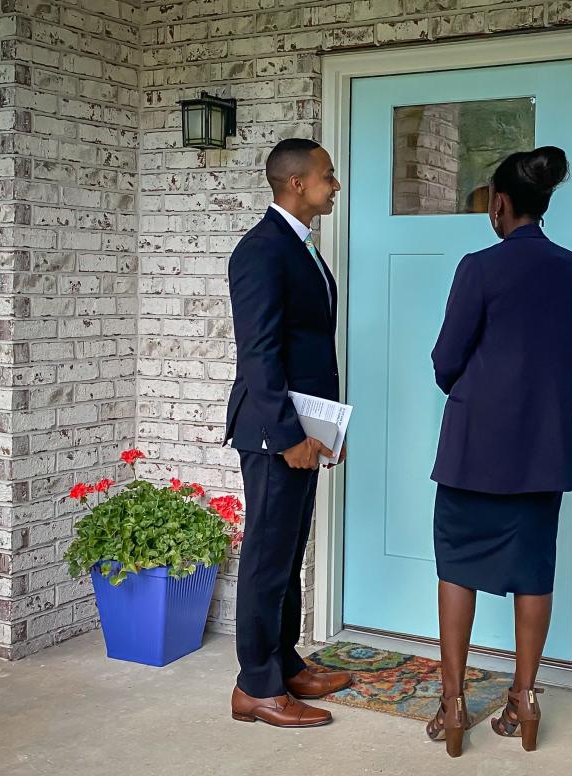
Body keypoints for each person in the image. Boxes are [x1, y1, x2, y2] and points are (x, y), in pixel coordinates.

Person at [425, 146, 572, 757]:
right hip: (542, 450)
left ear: (500, 204)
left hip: (475, 447)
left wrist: (476, 387)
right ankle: (525, 700)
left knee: (457, 564)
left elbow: (446, 359)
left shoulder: (478, 267)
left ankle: (452, 705)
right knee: (533, 571)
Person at [223, 138, 351, 728]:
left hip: (304, 428)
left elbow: (307, 349)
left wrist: (325, 427)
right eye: (328, 175)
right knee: (267, 557)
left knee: (289, 551)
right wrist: (288, 435)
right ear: (296, 182)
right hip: (274, 432)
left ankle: (284, 663)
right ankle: (255, 686)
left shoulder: (302, 249)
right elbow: (259, 354)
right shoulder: (261, 250)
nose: (335, 184)